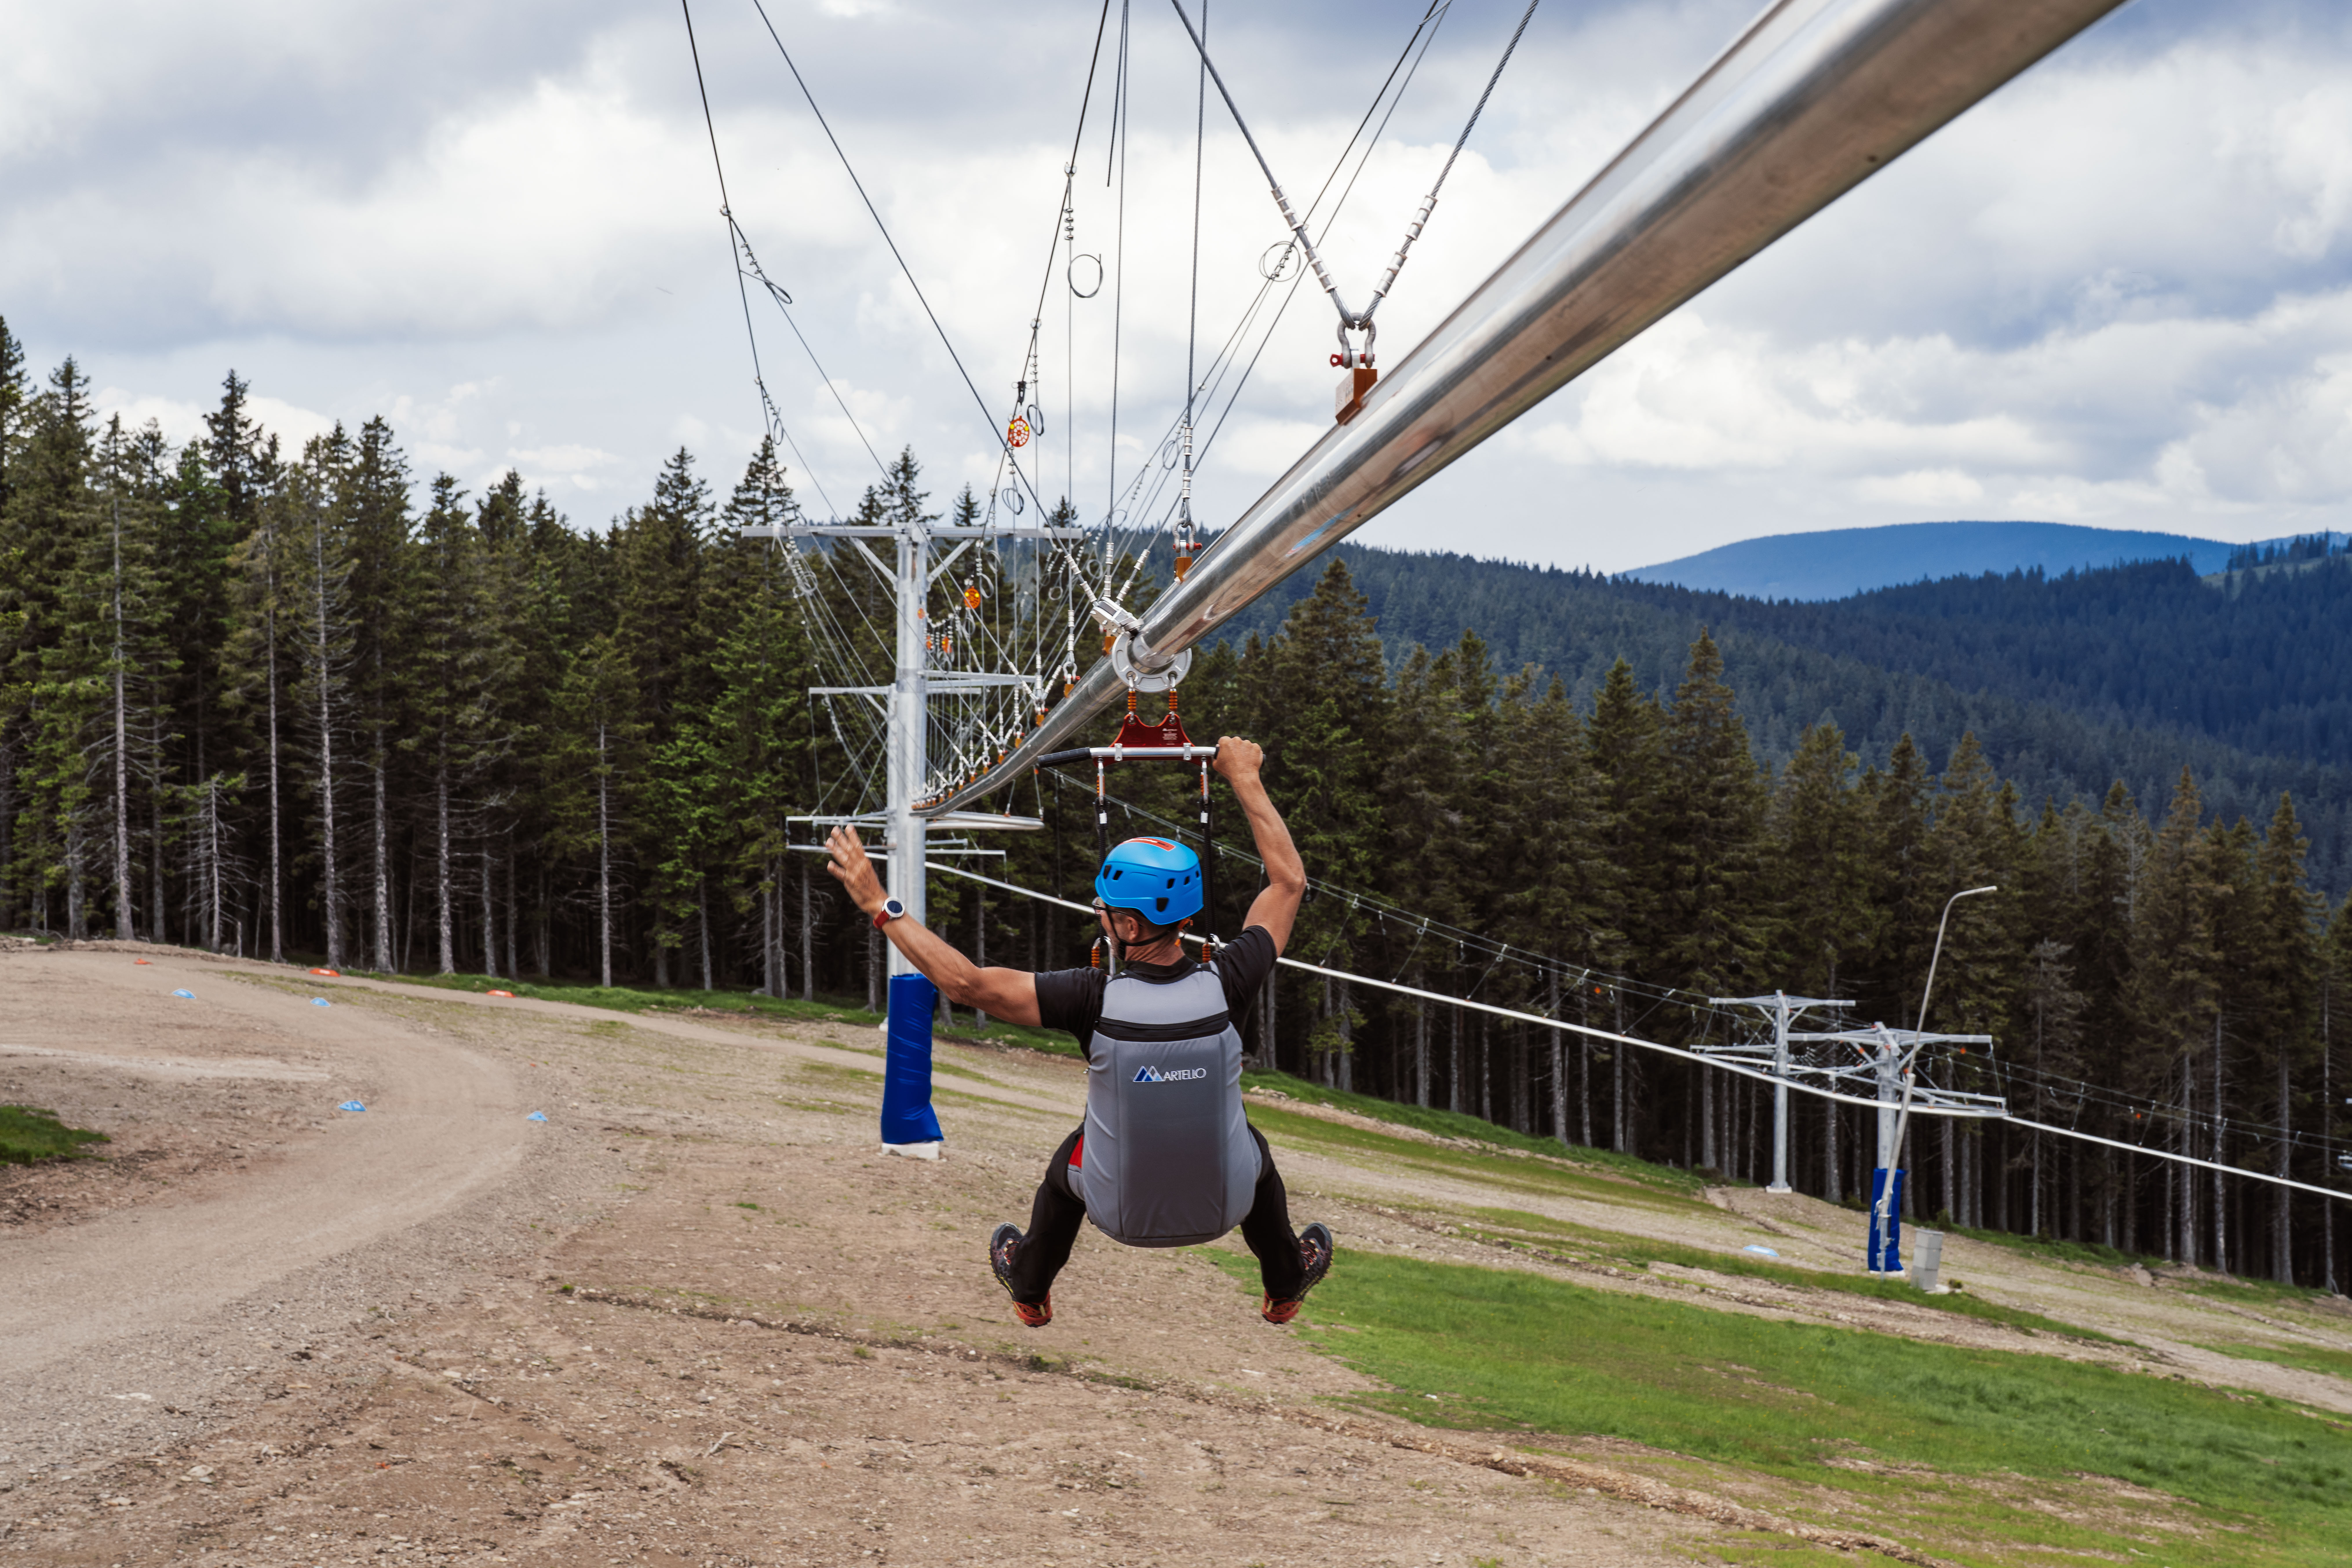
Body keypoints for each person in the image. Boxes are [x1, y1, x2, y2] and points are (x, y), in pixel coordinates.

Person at [823, 736, 1332, 1329]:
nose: (1100, 913)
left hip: (1119, 1215)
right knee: (1254, 1150)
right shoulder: (1233, 979)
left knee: (1070, 1161)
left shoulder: (1091, 998)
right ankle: (1285, 1282)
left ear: (1130, 924)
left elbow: (964, 984)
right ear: (1186, 919)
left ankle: (1030, 1288)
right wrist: (1243, 776)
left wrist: (879, 903)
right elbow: (1287, 883)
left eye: (1107, 908)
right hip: (1227, 1209)